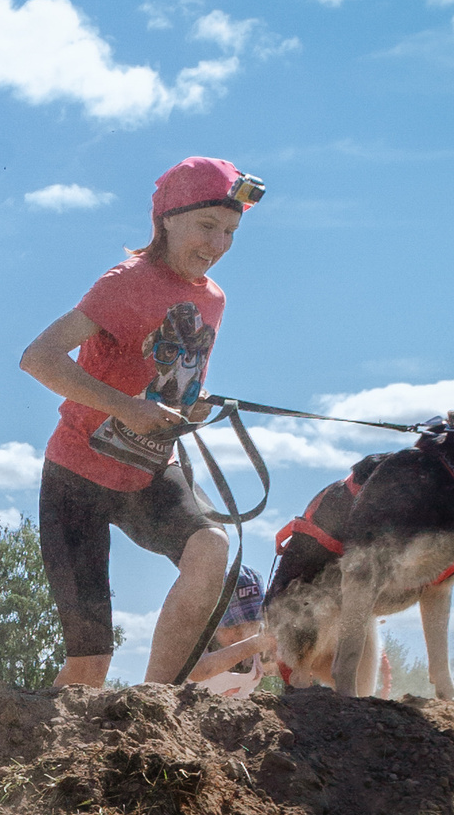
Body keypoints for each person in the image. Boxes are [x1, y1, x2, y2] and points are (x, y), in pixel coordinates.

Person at [21, 156, 264, 692]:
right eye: (207, 226)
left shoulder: (213, 300)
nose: (219, 243)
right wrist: (127, 407)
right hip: (77, 478)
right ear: (167, 220)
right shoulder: (125, 282)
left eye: (230, 231)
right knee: (90, 670)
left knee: (211, 550)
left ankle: (156, 704)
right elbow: (39, 358)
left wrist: (191, 407)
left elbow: (175, 382)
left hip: (152, 471)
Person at [184, 567, 272, 697]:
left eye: (251, 624)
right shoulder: (196, 640)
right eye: (234, 627)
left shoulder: (262, 642)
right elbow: (197, 671)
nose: (243, 634)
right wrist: (254, 645)